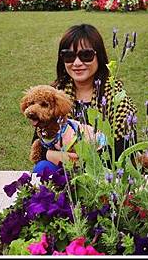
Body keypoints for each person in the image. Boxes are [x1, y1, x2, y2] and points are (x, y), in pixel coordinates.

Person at [32, 24, 138, 175]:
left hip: (103, 174)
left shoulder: (116, 97)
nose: (77, 63)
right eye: (69, 56)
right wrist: (53, 155)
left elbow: (127, 151)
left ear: (99, 56)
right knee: (42, 168)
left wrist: (81, 159)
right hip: (63, 173)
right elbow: (38, 141)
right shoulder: (55, 95)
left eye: (86, 55)